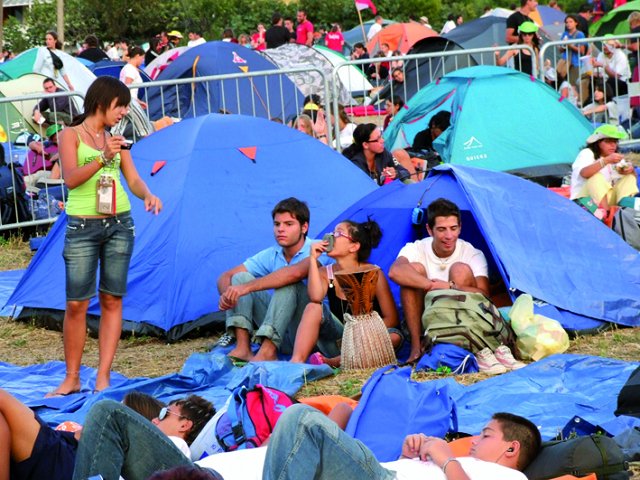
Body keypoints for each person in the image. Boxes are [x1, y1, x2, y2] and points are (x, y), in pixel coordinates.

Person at [47, 77, 162, 397]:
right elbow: (71, 179)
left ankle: (103, 377)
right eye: (120, 105)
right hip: (82, 226)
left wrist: (147, 195)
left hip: (119, 224)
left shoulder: (116, 140)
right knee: (76, 303)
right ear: (101, 102)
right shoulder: (70, 135)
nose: (124, 112)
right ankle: (72, 378)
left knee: (112, 299)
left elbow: (133, 180)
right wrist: (102, 157)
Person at [206, 404, 541, 480]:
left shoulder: (510, 477)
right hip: (382, 472)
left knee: (302, 419)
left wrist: (444, 457)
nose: (474, 441)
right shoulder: (470, 465)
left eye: (486, 435)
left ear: (511, 448)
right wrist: (408, 457)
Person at [217, 198, 330, 362]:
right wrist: (228, 294)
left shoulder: (319, 248)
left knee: (288, 284)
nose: (280, 229)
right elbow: (226, 276)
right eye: (277, 224)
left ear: (304, 227)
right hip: (280, 334)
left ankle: (267, 352)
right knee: (239, 278)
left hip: (310, 336)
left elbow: (295, 273)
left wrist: (245, 288)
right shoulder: (273, 253)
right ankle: (243, 348)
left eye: (288, 224)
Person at [388, 198, 490, 364]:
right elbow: (395, 272)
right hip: (423, 321)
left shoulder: (472, 253)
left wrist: (450, 287)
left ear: (460, 228)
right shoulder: (416, 248)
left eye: (453, 228)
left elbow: (484, 295)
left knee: (460, 269)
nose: (448, 236)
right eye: (442, 229)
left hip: (460, 320)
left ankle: (460, 342)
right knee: (412, 270)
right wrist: (431, 285)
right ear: (430, 230)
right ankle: (416, 347)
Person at [290, 219, 401, 366]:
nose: (330, 237)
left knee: (394, 337)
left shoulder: (374, 272)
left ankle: (334, 362)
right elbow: (315, 297)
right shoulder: (325, 273)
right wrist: (312, 259)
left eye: (338, 233)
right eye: (332, 232)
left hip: (370, 338)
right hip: (341, 340)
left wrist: (362, 333)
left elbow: (392, 318)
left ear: (354, 246)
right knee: (313, 307)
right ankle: (296, 362)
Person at [73, 396, 218, 480]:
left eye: (164, 414)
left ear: (184, 425)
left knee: (107, 410)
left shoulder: (177, 445)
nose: (154, 419)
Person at [570, 124, 638, 213]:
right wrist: (605, 161)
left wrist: (630, 170)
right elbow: (584, 173)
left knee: (629, 177)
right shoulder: (587, 153)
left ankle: (624, 208)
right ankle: (607, 214)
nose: (613, 145)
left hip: (606, 199)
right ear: (597, 142)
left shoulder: (614, 157)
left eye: (615, 142)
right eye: (608, 141)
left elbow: (632, 177)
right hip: (585, 199)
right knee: (595, 176)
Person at [343, 123, 411, 186]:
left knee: (408, 182)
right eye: (377, 139)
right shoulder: (356, 164)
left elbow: (406, 173)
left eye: (381, 136)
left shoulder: (384, 153)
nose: (383, 141)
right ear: (365, 145)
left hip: (381, 192)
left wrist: (396, 173)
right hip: (367, 194)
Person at [392, 110, 451, 181]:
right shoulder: (422, 137)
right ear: (433, 125)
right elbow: (418, 156)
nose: (443, 134)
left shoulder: (448, 139)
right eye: (442, 130)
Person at [558, 15, 586, 87]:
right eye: (567, 22)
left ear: (576, 23)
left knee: (572, 85)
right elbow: (560, 50)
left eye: (571, 22)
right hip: (565, 62)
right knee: (562, 83)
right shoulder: (565, 34)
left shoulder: (580, 34)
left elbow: (582, 50)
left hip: (575, 63)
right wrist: (563, 45)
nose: (568, 24)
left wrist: (570, 45)